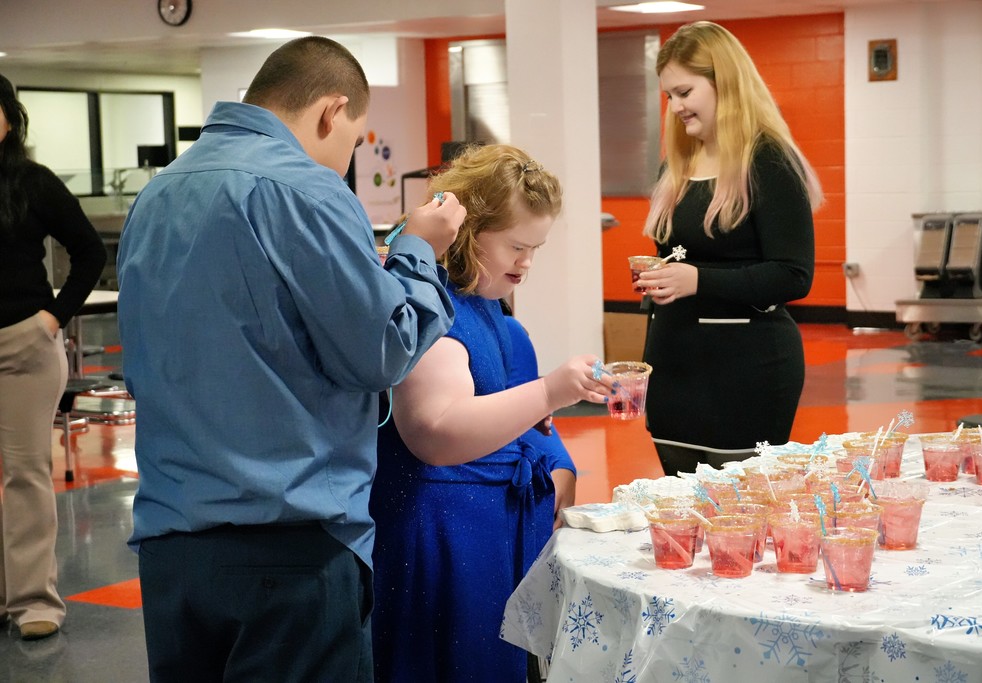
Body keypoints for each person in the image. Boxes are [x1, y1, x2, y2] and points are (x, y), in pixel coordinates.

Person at [115, 37, 465, 682]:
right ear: (333, 112)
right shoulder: (306, 189)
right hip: (289, 541)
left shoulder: (159, 192)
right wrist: (418, 252)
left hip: (173, 541)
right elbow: (384, 350)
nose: (345, 160)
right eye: (354, 142)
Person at [369, 144, 614, 683]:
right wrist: (551, 391)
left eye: (536, 248)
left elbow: (529, 425)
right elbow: (437, 431)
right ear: (467, 232)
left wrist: (562, 469)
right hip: (443, 542)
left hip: (499, 535)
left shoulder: (505, 324)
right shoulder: (434, 317)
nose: (527, 263)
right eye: (516, 246)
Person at [636, 21, 823, 476]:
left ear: (724, 82)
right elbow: (675, 258)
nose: (676, 107)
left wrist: (697, 280)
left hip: (747, 372)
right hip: (674, 366)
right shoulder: (677, 165)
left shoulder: (770, 161)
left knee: (736, 519)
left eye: (684, 91)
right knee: (681, 511)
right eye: (669, 97)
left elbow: (792, 274)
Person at [0, 73, 106, 641]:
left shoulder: (32, 183)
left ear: (9, 120)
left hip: (23, 345)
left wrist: (53, 316)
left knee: (25, 476)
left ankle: (34, 601)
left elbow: (88, 250)